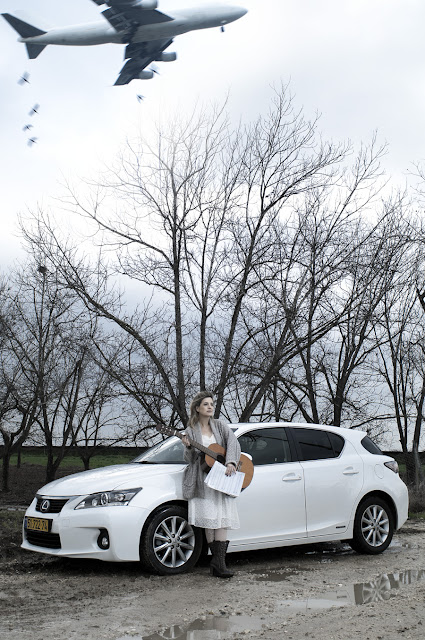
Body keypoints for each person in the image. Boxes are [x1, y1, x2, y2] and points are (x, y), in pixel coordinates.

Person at [181, 391, 241, 578]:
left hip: (221, 479)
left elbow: (233, 443)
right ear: (197, 408)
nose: (210, 407)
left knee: (221, 519)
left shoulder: (220, 426)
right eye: (205, 404)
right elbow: (189, 459)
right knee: (209, 520)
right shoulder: (191, 430)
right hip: (203, 480)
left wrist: (230, 462)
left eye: (211, 404)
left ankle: (219, 563)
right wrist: (188, 447)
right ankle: (217, 564)